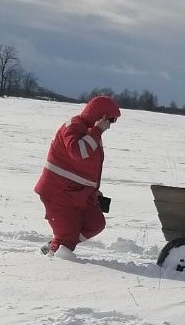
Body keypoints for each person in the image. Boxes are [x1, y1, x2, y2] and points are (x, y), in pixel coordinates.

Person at [34, 94, 122, 256]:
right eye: (110, 120)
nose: (110, 126)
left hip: (79, 194)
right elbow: (77, 151)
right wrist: (97, 131)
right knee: (66, 237)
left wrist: (92, 190)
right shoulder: (73, 126)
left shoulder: (92, 133)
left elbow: (84, 167)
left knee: (95, 223)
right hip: (58, 192)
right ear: (100, 116)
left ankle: (59, 245)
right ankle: (55, 256)